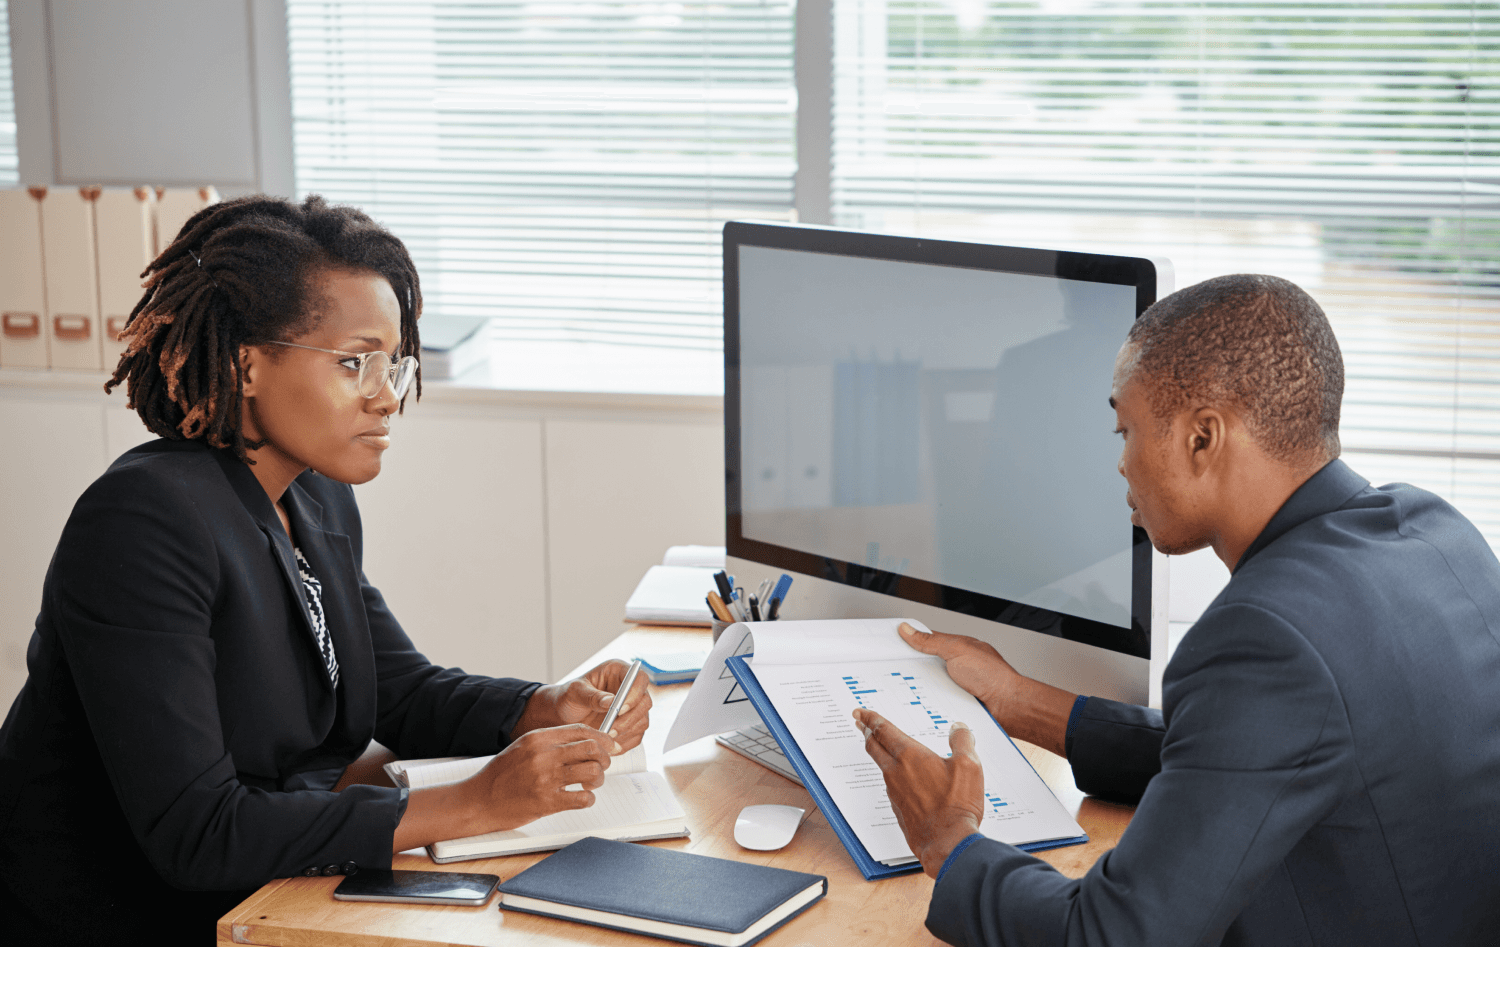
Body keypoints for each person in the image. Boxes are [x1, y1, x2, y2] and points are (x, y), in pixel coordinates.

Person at [0, 194, 651, 946]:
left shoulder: (314, 494)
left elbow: (396, 689)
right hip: (111, 929)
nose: (386, 397)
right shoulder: (142, 522)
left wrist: (542, 706)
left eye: (394, 366)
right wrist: (477, 800)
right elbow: (197, 832)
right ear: (246, 365)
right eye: (354, 363)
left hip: (268, 892)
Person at [852, 274, 1500, 946]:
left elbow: (1112, 944)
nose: (1122, 464)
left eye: (1125, 428)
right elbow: (1252, 753)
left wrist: (948, 840)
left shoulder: (1265, 636)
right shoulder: (1435, 529)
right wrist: (1018, 700)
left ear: (1202, 438)